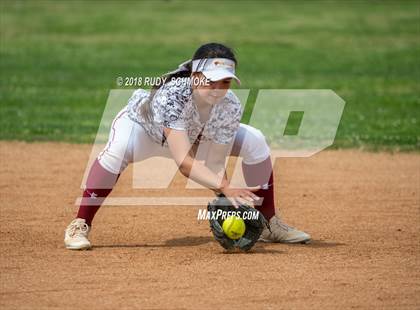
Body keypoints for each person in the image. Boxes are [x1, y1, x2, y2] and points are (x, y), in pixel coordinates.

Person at [64, 42, 310, 250]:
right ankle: (79, 224)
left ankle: (271, 223)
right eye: (211, 81)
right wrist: (225, 186)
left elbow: (214, 161)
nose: (218, 89)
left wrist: (227, 201)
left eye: (225, 82)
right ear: (194, 76)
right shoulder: (173, 95)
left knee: (255, 139)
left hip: (194, 136)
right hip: (145, 131)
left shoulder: (230, 106)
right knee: (117, 151)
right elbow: (184, 162)